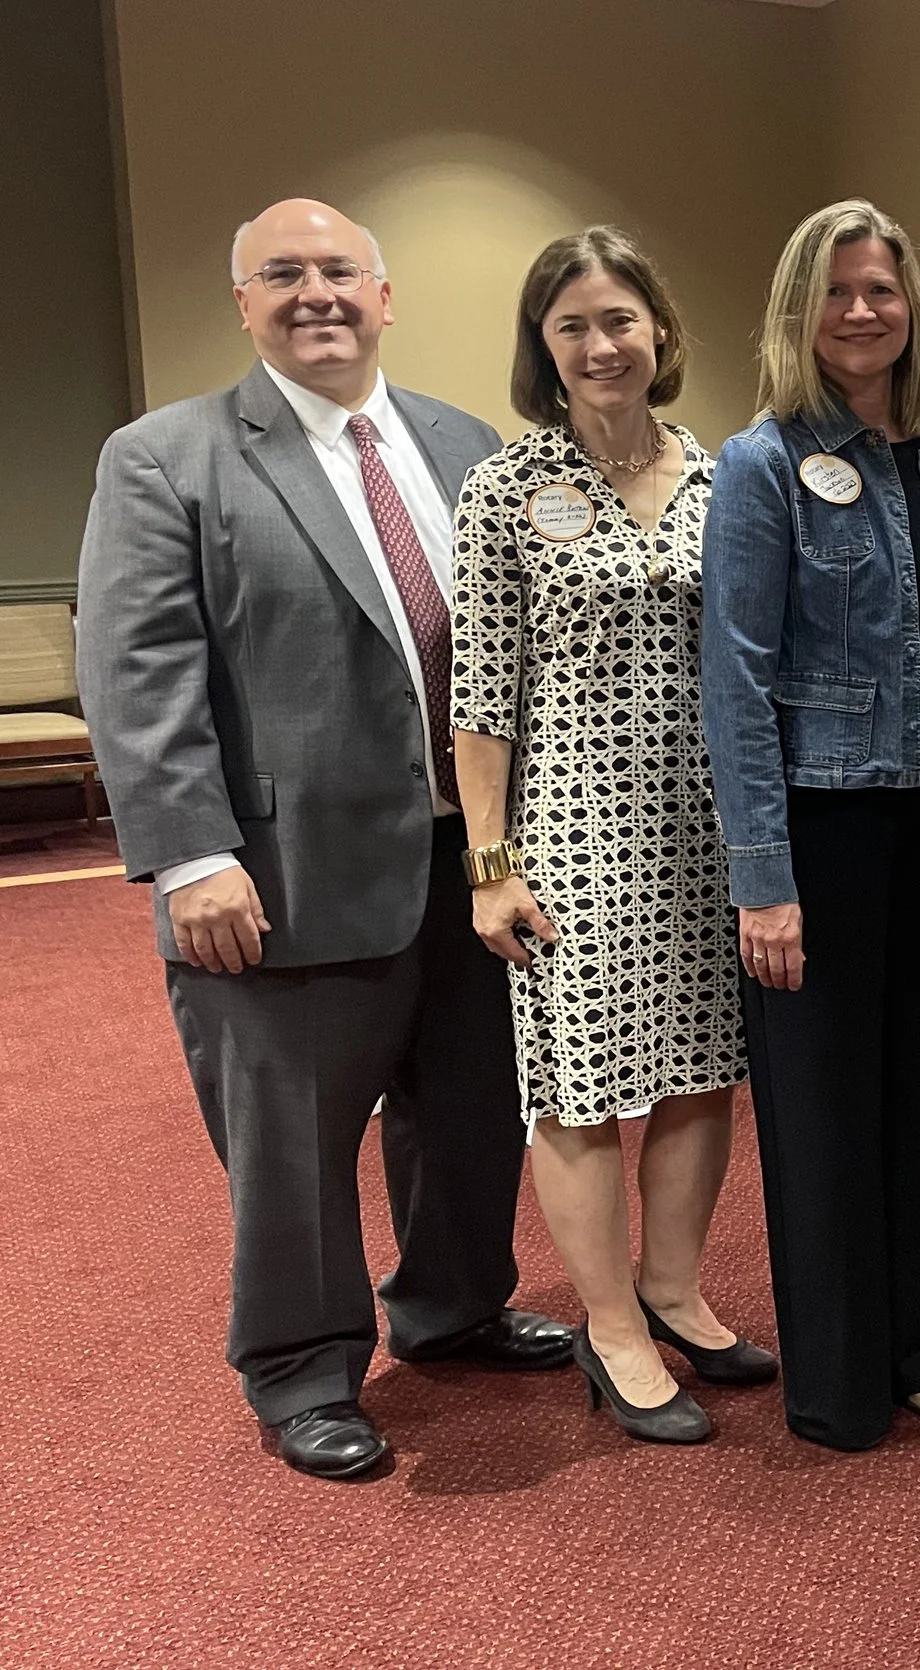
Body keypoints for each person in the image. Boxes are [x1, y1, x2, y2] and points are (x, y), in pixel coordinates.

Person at [74, 199, 573, 1480]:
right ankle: (301, 1367)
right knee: (292, 1145)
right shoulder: (166, 456)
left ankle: (454, 1305)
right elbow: (138, 671)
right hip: (276, 878)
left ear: (385, 294)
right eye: (281, 274)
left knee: (469, 1111)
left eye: (339, 270)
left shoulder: (466, 444)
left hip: (470, 861)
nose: (316, 293)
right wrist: (189, 855)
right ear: (243, 303)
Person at [703, 200, 920, 1453]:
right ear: (800, 309)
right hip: (822, 828)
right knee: (827, 1107)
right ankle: (840, 1371)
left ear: (912, 308)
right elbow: (733, 677)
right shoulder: (764, 463)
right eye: (835, 291)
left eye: (881, 290)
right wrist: (762, 877)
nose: (860, 312)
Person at [450, 226, 770, 1446]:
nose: (601, 343)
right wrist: (493, 866)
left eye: (620, 318)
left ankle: (674, 1286)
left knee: (699, 1074)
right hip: (571, 831)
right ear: (545, 347)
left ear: (661, 332)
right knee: (580, 1093)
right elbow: (480, 694)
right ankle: (609, 1322)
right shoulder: (505, 489)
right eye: (573, 324)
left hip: (706, 825)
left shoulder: (719, 473)